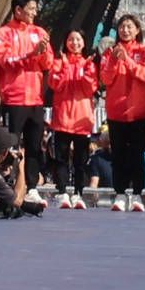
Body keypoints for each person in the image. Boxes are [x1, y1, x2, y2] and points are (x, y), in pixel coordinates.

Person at [0, 0, 52, 175]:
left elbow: (48, 64)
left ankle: (30, 187)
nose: (35, 12)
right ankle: (8, 181)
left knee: (34, 146)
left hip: (35, 99)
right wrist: (31, 54)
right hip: (13, 99)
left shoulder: (40, 33)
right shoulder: (3, 33)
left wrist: (42, 52)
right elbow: (5, 61)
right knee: (10, 145)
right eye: (31, 8)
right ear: (18, 10)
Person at [100, 14, 145, 197]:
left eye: (129, 27)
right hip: (116, 112)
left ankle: (137, 193)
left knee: (137, 155)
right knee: (118, 156)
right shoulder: (110, 53)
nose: (125, 30)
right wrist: (114, 60)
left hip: (138, 113)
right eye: (122, 27)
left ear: (137, 30)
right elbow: (105, 79)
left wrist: (128, 60)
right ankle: (119, 193)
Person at [45, 30, 101, 191]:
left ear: (84, 43)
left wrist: (86, 69)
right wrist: (64, 67)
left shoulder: (88, 63)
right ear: (66, 42)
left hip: (81, 120)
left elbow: (89, 88)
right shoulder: (58, 62)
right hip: (62, 119)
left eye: (78, 39)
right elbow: (55, 85)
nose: (75, 43)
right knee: (61, 159)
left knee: (80, 161)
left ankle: (78, 193)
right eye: (71, 39)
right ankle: (62, 191)